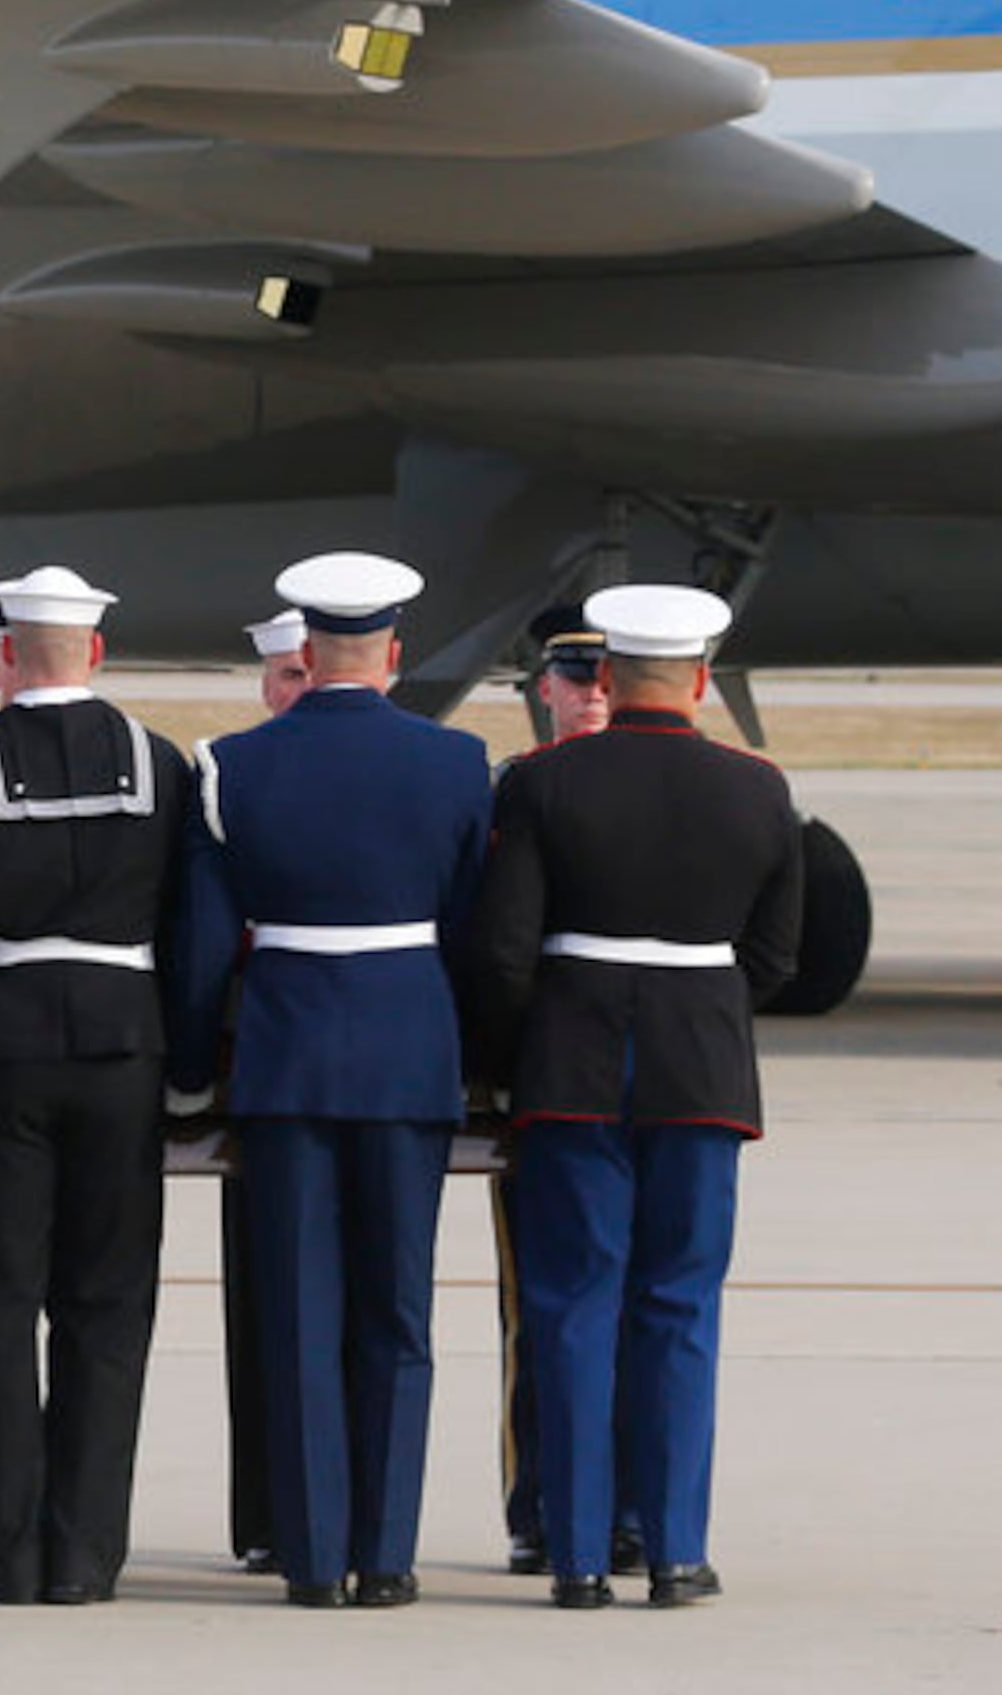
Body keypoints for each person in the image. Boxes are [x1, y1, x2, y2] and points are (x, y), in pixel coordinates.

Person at [466, 583, 800, 1610]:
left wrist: (518, 1050)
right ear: (701, 680)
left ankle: (573, 1554)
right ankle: (673, 1548)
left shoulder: (544, 783)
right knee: (681, 1307)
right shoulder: (759, 788)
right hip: (699, 1070)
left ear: (603, 678)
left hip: (572, 1069)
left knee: (570, 1307)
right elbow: (778, 959)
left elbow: (505, 952)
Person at [175, 554, 493, 1609]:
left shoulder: (233, 763)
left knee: (300, 1312)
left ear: (304, 656)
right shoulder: (456, 764)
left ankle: (312, 1557)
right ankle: (388, 1552)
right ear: (395, 656)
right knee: (397, 1313)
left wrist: (187, 1074)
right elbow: (475, 930)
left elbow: (206, 949)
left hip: (287, 1059)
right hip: (407, 1054)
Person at [0, 565, 194, 1607]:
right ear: (97, 653)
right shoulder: (163, 766)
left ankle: (5, 1543)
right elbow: (192, 928)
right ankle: (87, 1553)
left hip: (7, 1051)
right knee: (108, 1306)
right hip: (126, 1048)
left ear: (2, 657)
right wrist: (189, 1068)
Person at [492, 602, 626, 1575]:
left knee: (640, 1307)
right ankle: (544, 1502)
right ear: (543, 688)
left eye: (604, 678)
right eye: (572, 679)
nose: (587, 695)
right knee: (543, 1310)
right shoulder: (514, 790)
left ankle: (626, 1505)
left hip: (621, 1081)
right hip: (549, 1083)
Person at [217, 605, 311, 1574]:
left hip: (333, 1063)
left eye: (307, 671)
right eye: (283, 675)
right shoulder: (229, 776)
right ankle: (267, 1515)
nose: (297, 688)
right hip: (261, 1063)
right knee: (264, 1308)